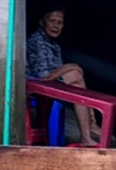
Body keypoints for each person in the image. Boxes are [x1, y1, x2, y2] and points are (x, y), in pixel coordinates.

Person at [26, 8, 98, 145]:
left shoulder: (54, 45)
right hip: (34, 87)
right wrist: (69, 66)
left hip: (49, 84)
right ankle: (90, 126)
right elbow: (45, 77)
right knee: (75, 74)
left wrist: (68, 68)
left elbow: (56, 73)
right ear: (42, 22)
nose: (56, 25)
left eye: (60, 22)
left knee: (76, 81)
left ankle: (86, 136)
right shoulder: (36, 41)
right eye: (52, 21)